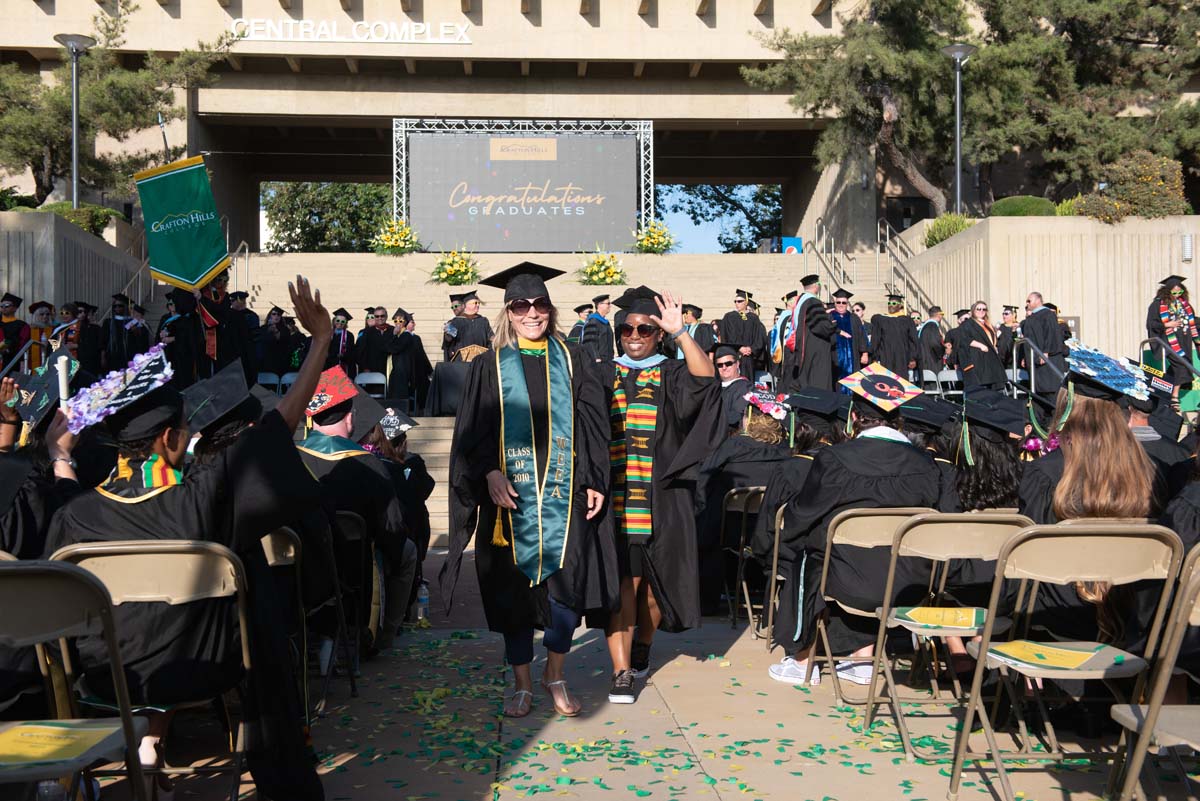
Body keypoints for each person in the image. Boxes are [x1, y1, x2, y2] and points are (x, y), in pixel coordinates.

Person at [47, 276, 331, 801]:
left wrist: (62, 443)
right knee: (254, 586)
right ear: (170, 439)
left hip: (102, 681)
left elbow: (63, 466)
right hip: (199, 671)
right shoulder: (199, 500)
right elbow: (280, 424)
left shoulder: (76, 518)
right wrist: (319, 342)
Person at [440, 262, 613, 718]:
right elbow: (470, 433)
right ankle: (521, 682)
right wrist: (489, 473)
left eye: (539, 304)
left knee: (566, 588)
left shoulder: (573, 359)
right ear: (509, 312)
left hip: (563, 493)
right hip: (508, 501)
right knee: (511, 593)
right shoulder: (488, 366)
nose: (532, 312)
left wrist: (594, 477)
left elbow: (594, 424)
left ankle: (554, 673)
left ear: (550, 309)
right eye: (521, 305)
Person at [768, 364, 939, 686]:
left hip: (845, 577)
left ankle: (803, 659)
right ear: (898, 419)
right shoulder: (926, 464)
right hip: (910, 579)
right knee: (870, 555)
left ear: (855, 418)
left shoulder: (836, 458)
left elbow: (801, 515)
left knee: (809, 554)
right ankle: (864, 656)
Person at [603, 285, 721, 702]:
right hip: (614, 498)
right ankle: (620, 672)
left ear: (656, 334)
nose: (635, 335)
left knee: (652, 590)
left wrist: (680, 333)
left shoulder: (671, 371)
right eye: (627, 329)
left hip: (662, 497)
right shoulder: (602, 371)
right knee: (622, 585)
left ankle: (642, 646)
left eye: (645, 330)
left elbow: (706, 384)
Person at [298, 365, 411, 652]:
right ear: (350, 417)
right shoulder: (368, 464)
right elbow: (392, 527)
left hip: (302, 570)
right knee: (407, 551)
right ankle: (382, 635)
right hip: (354, 573)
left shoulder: (290, 459)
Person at [695, 394, 795, 615]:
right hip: (771, 533)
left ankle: (707, 602)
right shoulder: (786, 452)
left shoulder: (732, 446)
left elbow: (704, 478)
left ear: (749, 419)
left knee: (706, 518)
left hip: (729, 531)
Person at [779, 275, 837, 393]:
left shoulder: (800, 302)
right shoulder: (813, 301)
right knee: (817, 382)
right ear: (816, 286)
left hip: (804, 347)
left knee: (805, 379)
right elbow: (820, 327)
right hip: (815, 349)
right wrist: (832, 324)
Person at [1147, 275, 1197, 406]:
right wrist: (1167, 325)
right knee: (1182, 365)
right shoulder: (1157, 305)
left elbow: (1193, 321)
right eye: (1174, 292)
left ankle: (1166, 393)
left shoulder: (1185, 305)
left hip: (1183, 342)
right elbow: (1151, 324)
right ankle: (1174, 397)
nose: (1177, 294)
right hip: (1168, 342)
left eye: (1179, 291)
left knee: (1177, 369)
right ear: (1168, 291)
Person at [1022, 292, 1069, 413]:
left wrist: (1045, 352)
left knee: (1051, 396)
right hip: (1035, 363)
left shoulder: (1047, 315)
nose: (1027, 304)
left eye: (1029, 301)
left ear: (1038, 301)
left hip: (1047, 361)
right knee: (1039, 395)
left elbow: (1051, 334)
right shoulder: (1032, 317)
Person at [947, 300, 1006, 392]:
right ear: (973, 310)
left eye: (984, 309)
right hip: (977, 361)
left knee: (993, 391)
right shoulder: (968, 324)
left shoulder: (988, 324)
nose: (981, 311)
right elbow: (964, 339)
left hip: (990, 361)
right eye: (978, 309)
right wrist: (980, 345)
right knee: (980, 390)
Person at [720, 289, 768, 380]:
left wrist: (751, 349)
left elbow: (758, 338)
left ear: (746, 302)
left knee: (748, 382)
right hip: (734, 355)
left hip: (748, 357)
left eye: (740, 301)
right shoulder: (729, 317)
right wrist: (739, 348)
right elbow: (726, 337)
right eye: (735, 301)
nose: (737, 303)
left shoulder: (754, 318)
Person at [869, 294, 919, 381]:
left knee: (901, 382)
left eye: (894, 303)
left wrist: (912, 358)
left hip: (902, 358)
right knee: (886, 381)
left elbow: (913, 340)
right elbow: (876, 339)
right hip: (885, 357)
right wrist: (875, 358)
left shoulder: (907, 321)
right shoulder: (881, 320)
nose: (891, 305)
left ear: (900, 305)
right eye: (889, 303)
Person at [829, 288, 869, 390]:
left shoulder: (854, 318)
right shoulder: (829, 317)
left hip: (853, 356)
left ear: (847, 304)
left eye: (844, 302)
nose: (841, 304)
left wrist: (864, 353)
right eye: (838, 302)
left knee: (853, 381)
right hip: (833, 356)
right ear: (835, 302)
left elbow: (862, 336)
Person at [443, 291, 493, 361]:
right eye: (474, 303)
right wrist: (447, 334)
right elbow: (448, 342)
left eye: (478, 303)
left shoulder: (483, 321)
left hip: (481, 360)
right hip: (461, 361)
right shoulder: (455, 322)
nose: (477, 305)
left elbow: (491, 339)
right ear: (464, 306)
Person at [713, 341, 751, 432]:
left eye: (728, 363)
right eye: (720, 365)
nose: (724, 367)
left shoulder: (745, 388)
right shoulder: (714, 387)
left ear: (737, 364)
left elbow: (735, 417)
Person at [228, 291, 260, 382]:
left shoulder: (251, 316)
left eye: (233, 301)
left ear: (239, 301)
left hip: (247, 354)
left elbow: (254, 336)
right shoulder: (229, 315)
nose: (231, 303)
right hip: (233, 354)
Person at [579, 293, 615, 364]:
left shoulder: (604, 322)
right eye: (608, 303)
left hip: (607, 360)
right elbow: (589, 342)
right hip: (597, 362)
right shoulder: (593, 321)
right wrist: (596, 357)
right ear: (599, 305)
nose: (610, 306)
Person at [0, 293, 30, 372]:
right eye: (1, 306)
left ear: (15, 308)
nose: (3, 308)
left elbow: (23, 345)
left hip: (13, 360)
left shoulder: (22, 325)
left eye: (6, 305)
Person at [325, 307, 359, 377]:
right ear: (334, 321)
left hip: (343, 364)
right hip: (328, 365)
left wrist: (343, 355)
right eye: (338, 320)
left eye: (342, 321)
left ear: (346, 323)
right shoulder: (328, 334)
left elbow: (351, 352)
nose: (339, 323)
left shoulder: (349, 335)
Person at [72, 301, 103, 376]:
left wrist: (78, 346)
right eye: (80, 312)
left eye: (85, 312)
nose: (83, 314)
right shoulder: (69, 328)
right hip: (74, 361)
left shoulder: (95, 328)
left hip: (91, 363)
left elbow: (98, 345)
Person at [916, 306, 946, 381]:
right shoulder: (932, 326)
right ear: (939, 315)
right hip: (932, 362)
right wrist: (943, 350)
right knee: (933, 386)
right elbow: (935, 344)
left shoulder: (925, 327)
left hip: (925, 360)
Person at [25, 301, 55, 371]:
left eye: (47, 314)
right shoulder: (29, 329)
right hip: (31, 364)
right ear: (36, 315)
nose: (45, 316)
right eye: (41, 314)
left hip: (50, 362)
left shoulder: (54, 329)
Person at [997, 304, 1019, 369]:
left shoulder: (1018, 327)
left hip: (1013, 359)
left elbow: (1018, 340)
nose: (1004, 316)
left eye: (1006, 314)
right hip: (1001, 360)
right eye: (1003, 314)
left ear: (1013, 315)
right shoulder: (1000, 327)